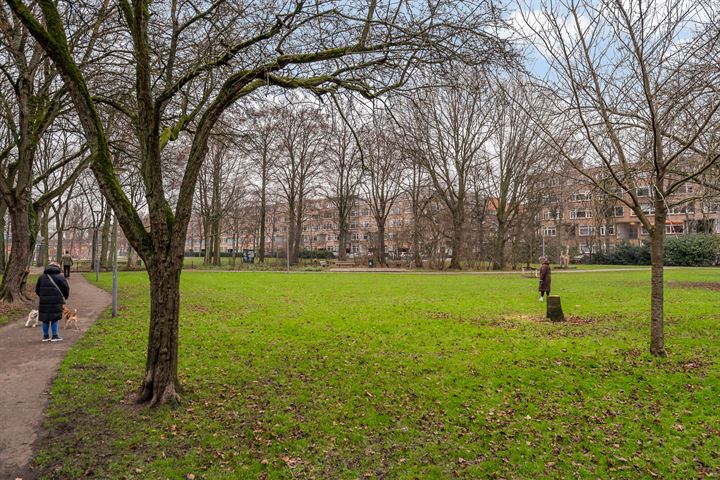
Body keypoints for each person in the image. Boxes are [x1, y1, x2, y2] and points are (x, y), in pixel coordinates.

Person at [35, 261, 69, 342]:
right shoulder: (60, 277)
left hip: (44, 301)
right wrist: (64, 297)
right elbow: (66, 289)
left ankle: (45, 336)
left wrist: (42, 296)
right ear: (57, 268)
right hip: (56, 300)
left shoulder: (41, 277)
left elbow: (37, 289)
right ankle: (55, 336)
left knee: (45, 319)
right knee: (54, 318)